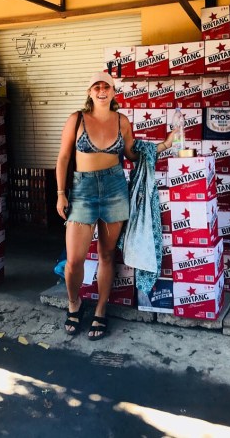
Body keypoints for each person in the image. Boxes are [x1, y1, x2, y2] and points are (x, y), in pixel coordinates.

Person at [55, 71, 174, 340]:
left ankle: (100, 310)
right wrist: (61, 193)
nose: (101, 91)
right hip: (82, 191)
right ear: (89, 92)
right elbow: (63, 158)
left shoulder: (122, 121)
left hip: (115, 189)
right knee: (74, 260)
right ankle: (74, 303)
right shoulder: (76, 119)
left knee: (107, 255)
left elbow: (132, 153)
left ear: (113, 91)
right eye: (96, 86)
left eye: (106, 86)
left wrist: (165, 145)